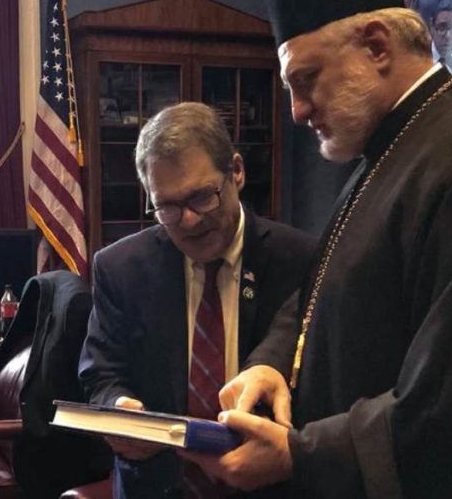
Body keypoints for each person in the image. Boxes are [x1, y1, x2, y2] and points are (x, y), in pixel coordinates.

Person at [182, 0, 452, 498]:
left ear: (377, 47)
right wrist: (271, 364)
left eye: (305, 81)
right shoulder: (388, 149)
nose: (298, 111)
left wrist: (298, 455)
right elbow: (320, 295)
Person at [78, 102, 315, 498]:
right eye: (167, 207)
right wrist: (117, 406)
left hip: (266, 486)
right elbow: (99, 371)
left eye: (202, 197)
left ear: (236, 172)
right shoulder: (121, 267)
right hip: (154, 484)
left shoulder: (301, 260)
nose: (188, 220)